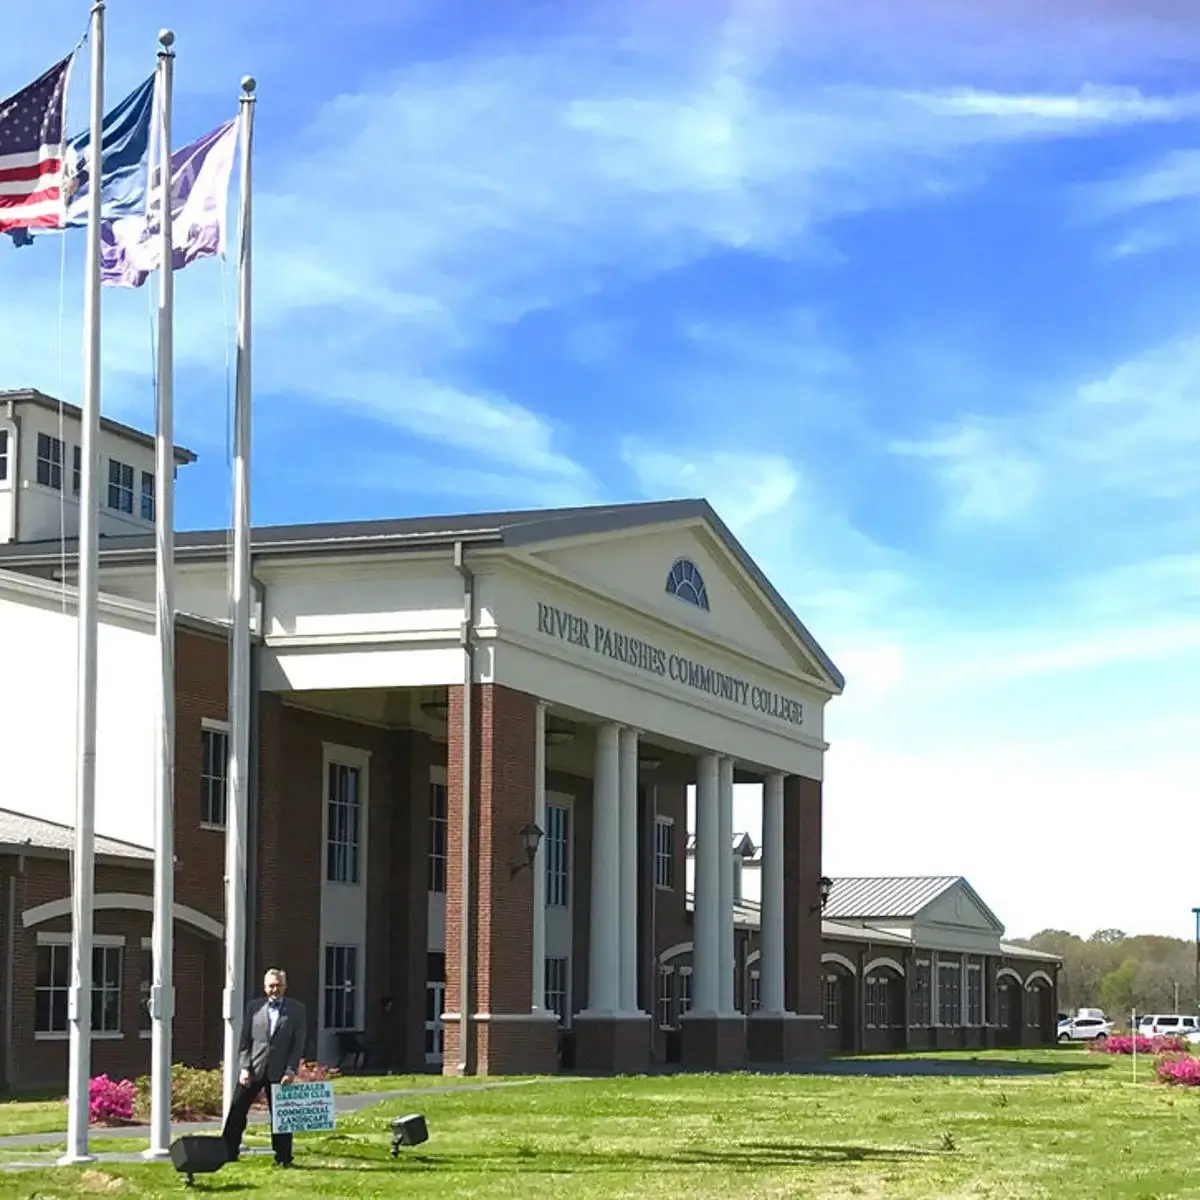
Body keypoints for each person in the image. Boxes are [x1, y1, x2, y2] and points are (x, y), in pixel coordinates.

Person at [221, 968, 307, 1168]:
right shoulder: (254, 1007)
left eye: (279, 985)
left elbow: (298, 1044)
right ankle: (227, 1152)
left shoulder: (297, 1009)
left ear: (285, 986)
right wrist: (244, 1067)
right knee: (236, 1110)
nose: (275, 989)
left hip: (280, 1071)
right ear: (265, 986)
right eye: (271, 985)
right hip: (254, 1069)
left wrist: (290, 1070)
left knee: (281, 1117)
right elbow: (245, 1042)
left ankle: (283, 1158)